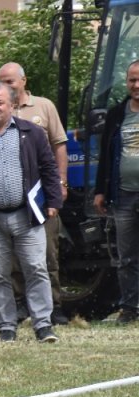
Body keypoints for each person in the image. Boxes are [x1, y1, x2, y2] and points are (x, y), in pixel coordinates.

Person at [0, 82, 63, 343]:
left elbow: (49, 167)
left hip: (26, 215)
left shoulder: (33, 133)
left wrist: (54, 201)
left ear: (12, 105)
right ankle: (6, 327)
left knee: (36, 268)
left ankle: (43, 325)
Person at [0, 62, 71, 325]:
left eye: (11, 82)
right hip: (10, 194)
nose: (7, 87)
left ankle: (54, 306)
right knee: (15, 254)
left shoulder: (44, 106)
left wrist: (61, 184)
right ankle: (21, 305)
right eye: (1, 82)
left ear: (24, 81)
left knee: (48, 252)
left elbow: (59, 145)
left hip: (41, 193)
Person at [93, 59, 139, 325]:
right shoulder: (117, 114)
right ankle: (130, 308)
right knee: (127, 257)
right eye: (132, 80)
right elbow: (106, 157)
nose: (136, 85)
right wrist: (100, 191)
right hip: (123, 195)